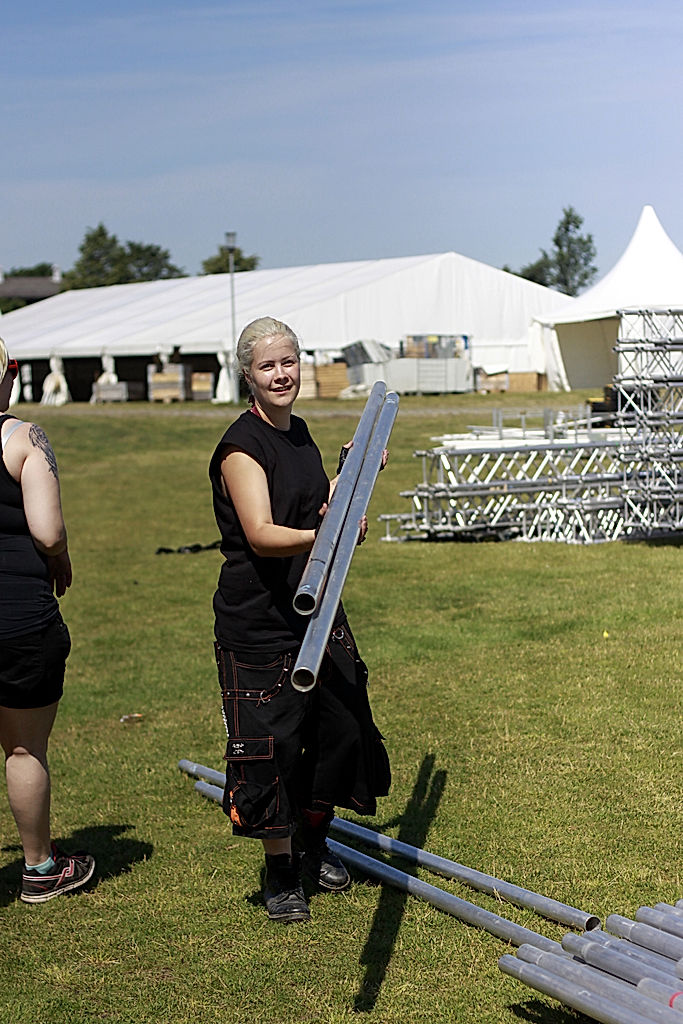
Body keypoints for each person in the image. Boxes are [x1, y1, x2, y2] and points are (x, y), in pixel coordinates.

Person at [209, 316, 390, 924]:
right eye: (267, 366)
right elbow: (262, 534)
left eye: (289, 362)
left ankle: (314, 840)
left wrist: (353, 481)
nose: (281, 374)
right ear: (247, 377)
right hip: (259, 622)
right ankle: (281, 870)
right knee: (270, 748)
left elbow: (310, 502)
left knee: (340, 730)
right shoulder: (240, 447)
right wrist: (328, 535)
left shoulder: (299, 432)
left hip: (316, 611)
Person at [0, 338, 94, 902]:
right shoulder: (23, 438)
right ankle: (39, 869)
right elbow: (48, 531)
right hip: (17, 615)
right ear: (8, 374)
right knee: (23, 749)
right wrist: (61, 558)